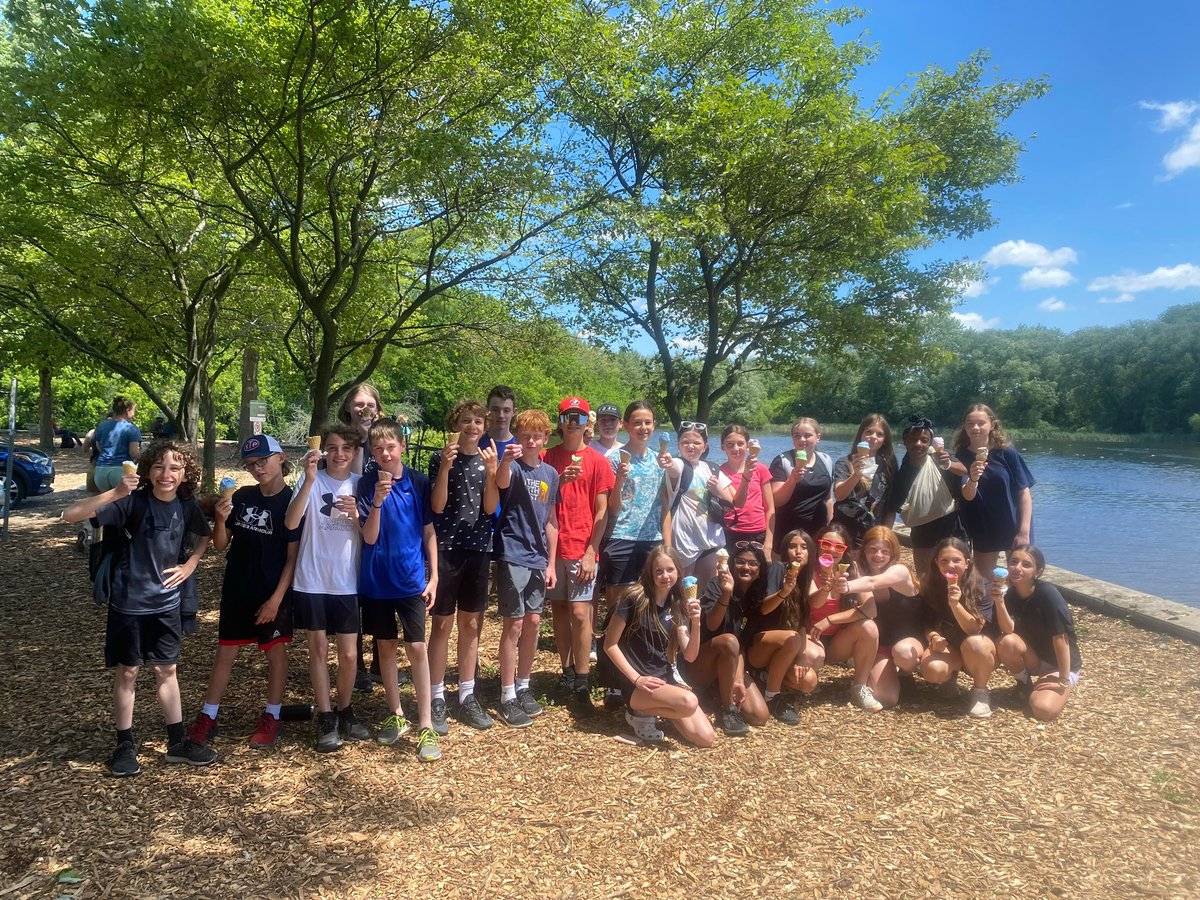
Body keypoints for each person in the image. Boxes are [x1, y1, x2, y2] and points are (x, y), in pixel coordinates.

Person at [62, 440, 214, 776]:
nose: (166, 474)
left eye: (175, 467)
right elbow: (69, 514)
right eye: (159, 466)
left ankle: (177, 742)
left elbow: (204, 535)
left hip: (167, 604)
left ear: (186, 473)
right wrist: (116, 492)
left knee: (167, 671)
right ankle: (124, 744)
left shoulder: (187, 506)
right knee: (128, 671)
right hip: (128, 604)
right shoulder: (130, 502)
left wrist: (191, 563)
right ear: (146, 470)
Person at [188, 435, 298, 751]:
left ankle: (272, 714)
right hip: (238, 587)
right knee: (225, 653)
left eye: (263, 460)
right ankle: (208, 716)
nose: (257, 468)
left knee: (275, 654)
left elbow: (293, 558)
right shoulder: (244, 496)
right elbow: (222, 544)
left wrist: (276, 600)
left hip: (272, 593)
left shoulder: (292, 502)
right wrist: (221, 519)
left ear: (280, 458)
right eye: (251, 464)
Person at [358, 416, 442, 761]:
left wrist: (434, 576)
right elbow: (369, 536)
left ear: (402, 446)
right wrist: (377, 500)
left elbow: (428, 532)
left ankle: (426, 725)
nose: (385, 453)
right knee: (386, 647)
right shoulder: (365, 486)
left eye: (390, 446)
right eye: (378, 449)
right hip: (377, 581)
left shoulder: (419, 482)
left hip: (410, 580)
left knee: (417, 648)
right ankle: (397, 714)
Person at [283, 422, 365, 752]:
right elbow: (290, 522)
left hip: (347, 580)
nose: (339, 454)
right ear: (323, 451)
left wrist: (358, 514)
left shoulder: (361, 485)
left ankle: (345, 708)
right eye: (332, 448)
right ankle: (326, 716)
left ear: (356, 453)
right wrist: (310, 478)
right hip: (312, 577)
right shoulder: (310, 479)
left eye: (346, 448)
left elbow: (371, 534)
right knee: (317, 649)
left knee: (348, 654)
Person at [486, 408, 560, 728]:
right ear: (518, 437)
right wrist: (504, 460)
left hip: (537, 558)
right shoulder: (513, 468)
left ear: (545, 438)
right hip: (512, 553)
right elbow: (501, 483)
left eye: (537, 435)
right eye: (525, 435)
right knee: (513, 625)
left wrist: (552, 563)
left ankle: (524, 685)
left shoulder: (551, 475)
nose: (531, 440)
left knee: (532, 623)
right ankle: (506, 695)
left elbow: (551, 522)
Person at [427, 400, 495, 734]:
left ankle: (467, 695)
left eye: (478, 421)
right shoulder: (440, 459)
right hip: (445, 548)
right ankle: (436, 695)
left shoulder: (487, 461)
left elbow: (491, 506)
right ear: (456, 423)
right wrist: (443, 467)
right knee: (441, 625)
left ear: (485, 426)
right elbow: (436, 507)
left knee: (471, 625)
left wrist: (494, 472)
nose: (472, 426)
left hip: (479, 547)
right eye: (466, 420)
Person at [602, 546, 714, 747]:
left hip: (663, 681)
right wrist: (636, 679)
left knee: (706, 739)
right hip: (637, 684)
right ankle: (639, 711)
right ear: (650, 573)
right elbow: (609, 645)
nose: (665, 576)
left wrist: (696, 623)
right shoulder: (633, 598)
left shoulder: (678, 603)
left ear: (679, 572)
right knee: (689, 703)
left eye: (670, 570)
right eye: (659, 571)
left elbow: (690, 655)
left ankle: (658, 707)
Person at [543, 397, 614, 705]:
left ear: (589, 423)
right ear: (560, 421)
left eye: (580, 417)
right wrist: (558, 481)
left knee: (580, 613)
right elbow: (538, 501)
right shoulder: (546, 457)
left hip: (582, 548)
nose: (574, 422)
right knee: (559, 610)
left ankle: (583, 680)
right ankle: (567, 670)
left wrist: (591, 551)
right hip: (552, 548)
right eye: (568, 416)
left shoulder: (597, 460)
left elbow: (603, 513)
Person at [688, 542, 770, 736]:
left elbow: (742, 646)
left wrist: (739, 679)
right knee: (729, 640)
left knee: (760, 716)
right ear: (731, 564)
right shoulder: (717, 585)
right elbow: (712, 625)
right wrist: (726, 593)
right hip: (699, 665)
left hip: (729, 663)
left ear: (760, 569)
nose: (746, 567)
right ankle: (728, 709)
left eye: (752, 563)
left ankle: (720, 691)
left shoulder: (754, 597)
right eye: (740, 562)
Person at [994, 545, 1081, 721]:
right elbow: (1008, 630)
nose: (1017, 568)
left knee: (1043, 710)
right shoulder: (1010, 594)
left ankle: (1057, 687)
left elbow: (1061, 639)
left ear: (1038, 572)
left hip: (1060, 665)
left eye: (1026, 564)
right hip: (1035, 658)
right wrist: (999, 601)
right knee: (1006, 641)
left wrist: (1063, 679)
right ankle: (1024, 684)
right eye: (1014, 562)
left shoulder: (1048, 594)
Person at [842, 526, 924, 709]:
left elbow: (872, 583)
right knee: (886, 698)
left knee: (903, 653)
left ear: (893, 553)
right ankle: (875, 672)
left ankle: (905, 674)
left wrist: (845, 586)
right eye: (872, 549)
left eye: (884, 551)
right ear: (864, 550)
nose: (878, 555)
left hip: (909, 640)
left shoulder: (899, 571)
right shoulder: (861, 570)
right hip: (881, 643)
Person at [806, 523, 884, 712]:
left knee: (869, 627)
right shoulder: (809, 568)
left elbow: (870, 609)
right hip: (810, 636)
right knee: (813, 660)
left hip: (838, 640)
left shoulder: (852, 569)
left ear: (845, 551)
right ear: (818, 545)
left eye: (839, 547)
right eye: (826, 544)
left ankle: (859, 687)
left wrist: (831, 620)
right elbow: (814, 603)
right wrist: (826, 585)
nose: (832, 550)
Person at [919, 537, 999, 718]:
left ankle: (980, 691)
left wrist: (955, 604)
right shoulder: (930, 585)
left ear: (967, 563)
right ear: (936, 563)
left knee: (975, 644)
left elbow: (974, 629)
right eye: (944, 561)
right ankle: (950, 676)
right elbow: (927, 622)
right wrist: (933, 637)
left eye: (957, 560)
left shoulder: (982, 586)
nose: (951, 565)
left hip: (980, 649)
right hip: (950, 645)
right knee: (933, 670)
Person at [743, 529, 816, 724]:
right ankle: (772, 697)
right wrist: (784, 592)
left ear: (811, 553)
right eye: (792, 546)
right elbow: (764, 609)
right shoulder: (777, 569)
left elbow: (801, 625)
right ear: (785, 551)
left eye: (804, 547)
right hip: (757, 647)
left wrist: (801, 657)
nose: (798, 551)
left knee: (808, 682)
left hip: (784, 646)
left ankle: (766, 679)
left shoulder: (803, 581)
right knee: (792, 638)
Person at [881, 416, 966, 581]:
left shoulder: (941, 458)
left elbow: (963, 470)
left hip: (951, 531)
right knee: (925, 579)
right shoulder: (902, 475)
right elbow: (892, 510)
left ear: (930, 443)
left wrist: (947, 464)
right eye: (912, 439)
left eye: (924, 440)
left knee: (954, 581)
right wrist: (885, 539)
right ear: (905, 442)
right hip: (922, 535)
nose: (918, 443)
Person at [955, 403, 1036, 578]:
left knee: (1020, 578)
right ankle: (992, 606)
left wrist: (1024, 531)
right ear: (965, 426)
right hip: (983, 527)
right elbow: (967, 496)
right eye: (970, 423)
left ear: (992, 424)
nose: (975, 428)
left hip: (1013, 524)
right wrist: (973, 478)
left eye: (981, 423)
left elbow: (1024, 494)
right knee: (983, 580)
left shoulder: (1006, 453)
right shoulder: (960, 456)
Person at [603, 401, 669, 609]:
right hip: (621, 537)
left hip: (653, 540)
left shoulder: (661, 462)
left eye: (648, 422)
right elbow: (612, 509)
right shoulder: (614, 461)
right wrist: (619, 481)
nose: (643, 428)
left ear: (654, 425)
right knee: (618, 606)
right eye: (637, 423)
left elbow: (665, 507)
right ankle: (610, 642)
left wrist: (667, 544)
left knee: (650, 604)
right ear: (626, 425)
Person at [661, 421, 731, 584]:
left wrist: (717, 491)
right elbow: (673, 468)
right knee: (683, 594)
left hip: (711, 541)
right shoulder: (679, 465)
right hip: (684, 543)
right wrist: (668, 462)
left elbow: (730, 503)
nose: (690, 446)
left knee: (709, 593)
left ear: (705, 446)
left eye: (696, 442)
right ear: (678, 444)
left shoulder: (711, 468)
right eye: (685, 442)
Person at [770, 417, 834, 558]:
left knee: (812, 576)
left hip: (817, 534)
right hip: (787, 534)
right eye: (797, 436)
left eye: (807, 435)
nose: (802, 440)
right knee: (785, 577)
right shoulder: (783, 461)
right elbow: (775, 500)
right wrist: (792, 480)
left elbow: (828, 497)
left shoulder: (826, 460)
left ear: (818, 437)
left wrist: (830, 524)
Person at [832, 414, 896, 548]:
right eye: (869, 432)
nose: (873, 437)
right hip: (844, 531)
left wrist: (886, 536)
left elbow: (891, 506)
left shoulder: (889, 466)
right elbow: (839, 495)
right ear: (861, 434)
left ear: (885, 440)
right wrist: (856, 474)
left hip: (873, 532)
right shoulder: (845, 462)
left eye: (879, 434)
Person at [717, 425, 775, 554]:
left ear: (748, 446)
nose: (735, 449)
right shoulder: (719, 472)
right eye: (730, 445)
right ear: (723, 447)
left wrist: (769, 543)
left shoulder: (760, 469)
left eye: (740, 444)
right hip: (731, 533)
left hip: (759, 532)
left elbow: (770, 508)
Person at [92, 397, 143, 492]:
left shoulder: (101, 426)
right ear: (128, 410)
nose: (134, 413)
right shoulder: (132, 428)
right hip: (121, 470)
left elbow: (99, 448)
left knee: (107, 503)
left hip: (100, 470)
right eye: (133, 410)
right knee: (124, 504)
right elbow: (134, 453)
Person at [336, 383, 382, 476]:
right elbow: (350, 481)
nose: (365, 409)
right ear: (347, 407)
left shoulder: (381, 439)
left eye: (371, 405)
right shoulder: (337, 439)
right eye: (359, 404)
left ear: (377, 409)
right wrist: (361, 440)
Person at [480, 385, 517, 457]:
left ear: (514, 412)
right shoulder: (477, 442)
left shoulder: (519, 446)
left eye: (506, 410)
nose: (501, 415)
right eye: (495, 410)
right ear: (487, 410)